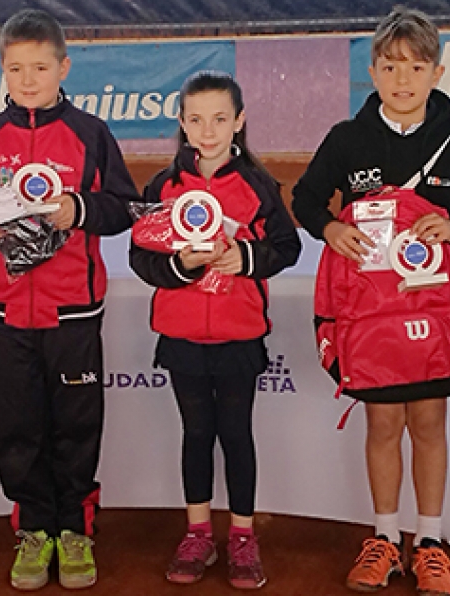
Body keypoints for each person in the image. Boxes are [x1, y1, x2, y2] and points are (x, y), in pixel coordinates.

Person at [291, 6, 450, 596]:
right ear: (373, 72)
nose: (403, 79)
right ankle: (385, 538)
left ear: (436, 72)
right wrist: (330, 228)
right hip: (370, 318)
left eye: (416, 67)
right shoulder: (347, 139)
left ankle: (431, 544)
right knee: (383, 423)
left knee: (431, 424)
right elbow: (306, 199)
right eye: (391, 67)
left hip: (435, 314)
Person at [0, 8, 139, 591]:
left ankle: (75, 527)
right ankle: (34, 526)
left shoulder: (89, 134)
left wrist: (77, 208)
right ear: (1, 70)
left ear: (64, 67)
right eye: (15, 68)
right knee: (18, 423)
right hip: (3, 312)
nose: (27, 79)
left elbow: (123, 208)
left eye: (39, 67)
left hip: (73, 308)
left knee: (77, 423)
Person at [129, 70, 300, 589]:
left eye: (220, 119)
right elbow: (141, 257)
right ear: (182, 123)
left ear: (239, 122)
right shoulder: (162, 187)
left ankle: (243, 537)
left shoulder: (257, 186)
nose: (208, 130)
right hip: (181, 336)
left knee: (236, 434)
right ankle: (198, 532)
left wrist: (244, 257)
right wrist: (179, 265)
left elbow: (286, 248)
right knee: (196, 434)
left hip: (238, 334)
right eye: (197, 119)